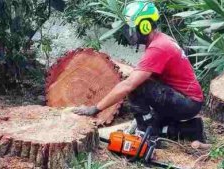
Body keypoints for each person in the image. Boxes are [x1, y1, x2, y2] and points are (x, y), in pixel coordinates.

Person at [73, 0, 206, 143]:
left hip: (186, 102)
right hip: (187, 99)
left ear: (145, 26)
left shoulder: (158, 47)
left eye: (131, 29)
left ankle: (145, 134)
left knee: (137, 87)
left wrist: (95, 109)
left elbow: (128, 84)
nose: (129, 34)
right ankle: (192, 129)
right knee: (156, 122)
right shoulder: (161, 40)